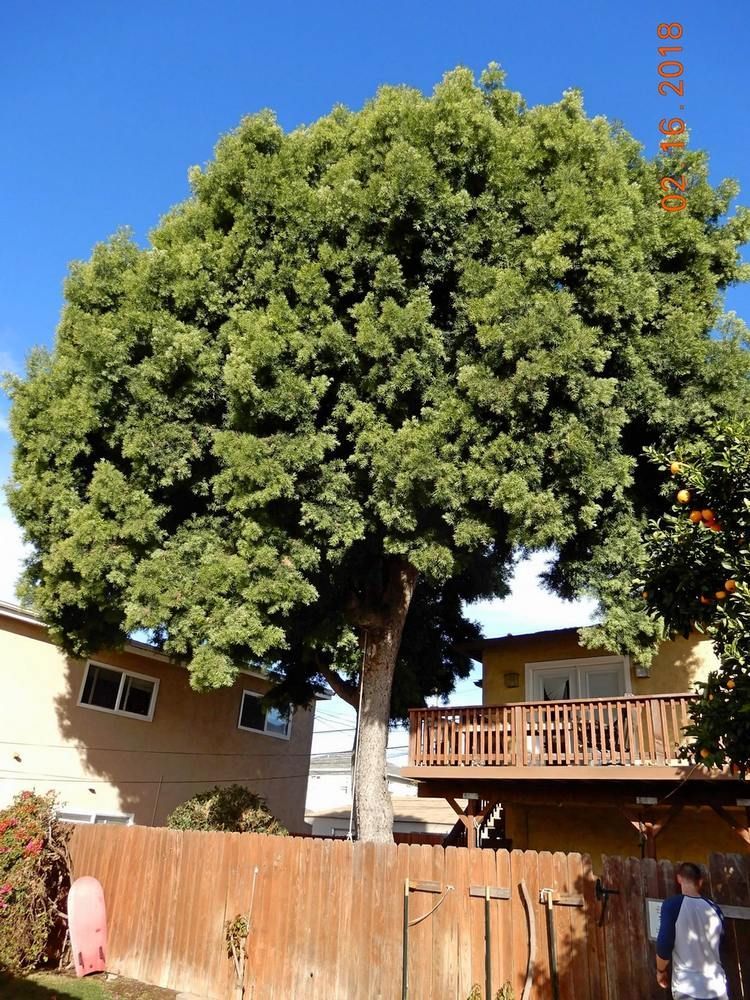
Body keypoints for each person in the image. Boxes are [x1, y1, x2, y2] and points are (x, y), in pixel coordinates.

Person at [655, 861, 728, 999]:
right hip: (718, 988)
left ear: (679, 879)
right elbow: (721, 943)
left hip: (687, 989)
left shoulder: (672, 905)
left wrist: (660, 971)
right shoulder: (715, 909)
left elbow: (664, 944)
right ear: (700, 882)